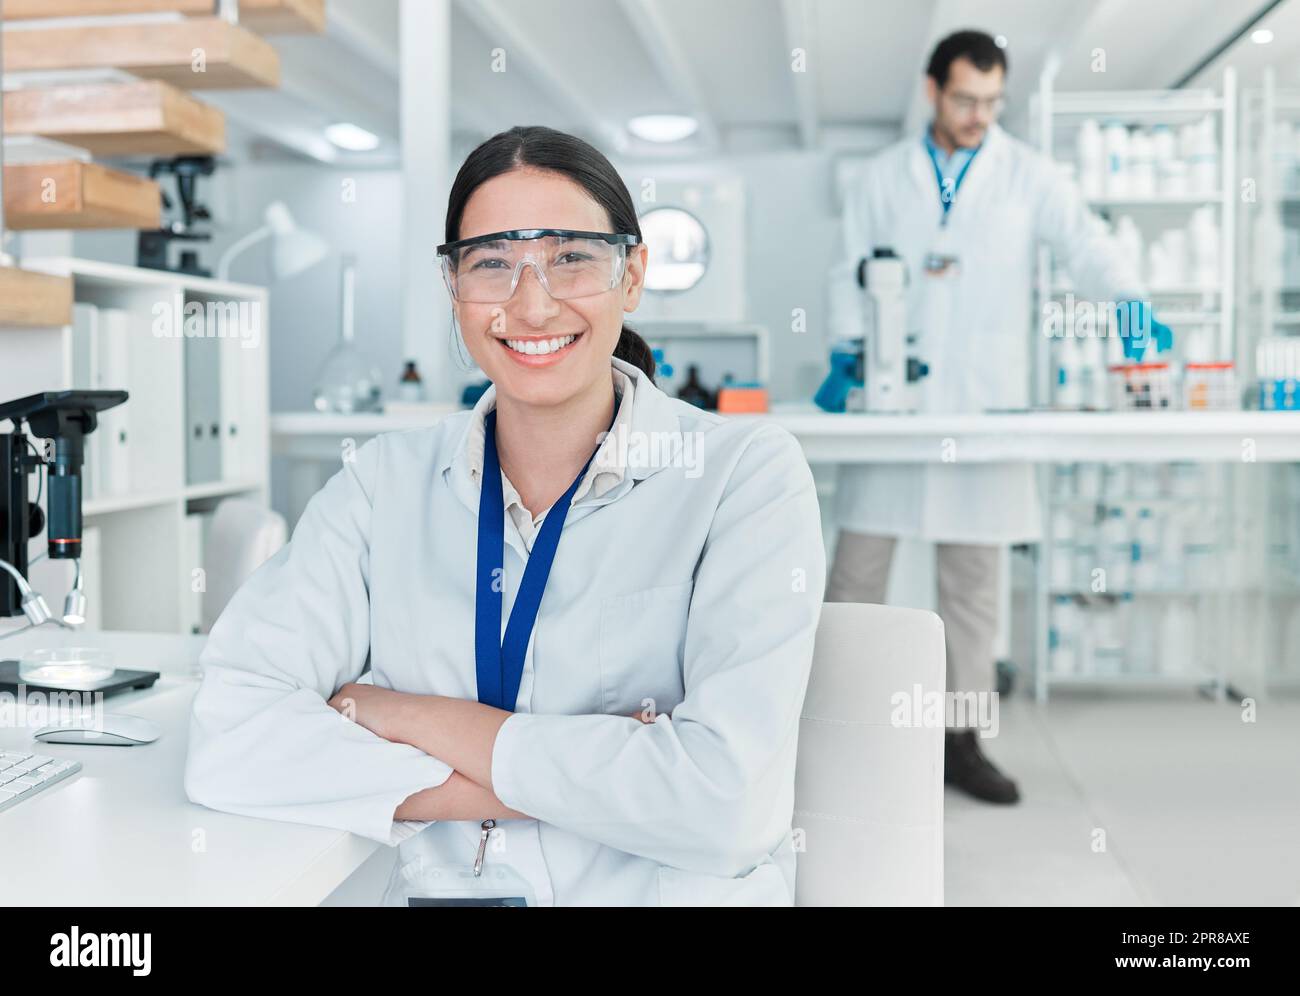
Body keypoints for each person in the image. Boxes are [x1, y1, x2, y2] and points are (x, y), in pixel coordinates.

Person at [185, 126, 826, 906]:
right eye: (493, 263)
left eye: (571, 257)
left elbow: (727, 805)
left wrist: (406, 715)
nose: (532, 302)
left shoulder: (743, 475)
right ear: (453, 286)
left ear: (632, 276)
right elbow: (229, 736)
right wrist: (617, 773)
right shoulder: (382, 483)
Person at [826, 31, 1164, 804]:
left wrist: (1130, 304)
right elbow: (844, 272)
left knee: (973, 590)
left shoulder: (1028, 176)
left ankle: (960, 742)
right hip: (892, 400)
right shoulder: (881, 178)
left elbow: (1087, 245)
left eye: (991, 102)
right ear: (932, 90)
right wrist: (850, 352)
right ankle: (839, 731)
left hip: (983, 403)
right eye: (965, 99)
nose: (979, 115)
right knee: (855, 577)